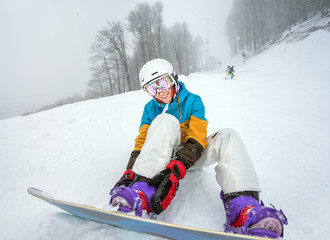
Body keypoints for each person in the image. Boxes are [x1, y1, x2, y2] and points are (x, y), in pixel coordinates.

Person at [109, 59, 287, 238]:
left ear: (174, 79)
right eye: (152, 88)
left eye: (163, 83)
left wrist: (178, 167)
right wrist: (130, 172)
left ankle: (243, 208)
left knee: (228, 135)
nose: (160, 92)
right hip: (160, 158)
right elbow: (142, 143)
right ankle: (142, 192)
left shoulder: (193, 101)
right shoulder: (150, 109)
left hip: (190, 156)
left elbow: (197, 137)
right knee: (165, 120)